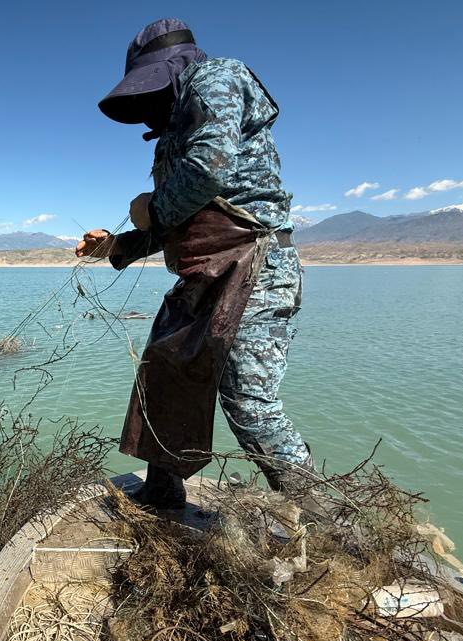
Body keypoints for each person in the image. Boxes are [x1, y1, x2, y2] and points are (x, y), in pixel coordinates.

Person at [77, 18, 313, 508]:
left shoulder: (217, 78)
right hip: (202, 272)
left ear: (174, 70)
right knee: (163, 373)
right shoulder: (171, 135)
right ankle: (162, 492)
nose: (147, 113)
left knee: (249, 402)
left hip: (256, 265)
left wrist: (152, 208)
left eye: (152, 91)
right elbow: (184, 221)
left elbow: (207, 171)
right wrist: (120, 245)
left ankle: (329, 517)